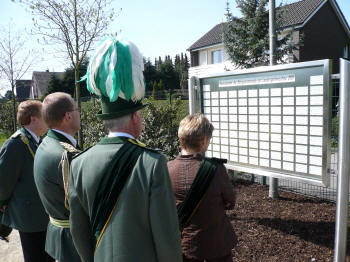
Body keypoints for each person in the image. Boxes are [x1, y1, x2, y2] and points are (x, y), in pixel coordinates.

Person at [69, 36, 182, 262]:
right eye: (140, 115)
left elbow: (78, 231)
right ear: (134, 117)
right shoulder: (151, 162)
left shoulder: (78, 163)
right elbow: (167, 237)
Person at [168, 113, 236, 262]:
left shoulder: (167, 169)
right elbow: (231, 202)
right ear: (204, 140)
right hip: (217, 243)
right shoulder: (216, 169)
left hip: (186, 245)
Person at [0, 100, 54, 262]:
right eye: (44, 116)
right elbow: (3, 180)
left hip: (42, 215)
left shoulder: (34, 141)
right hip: (30, 217)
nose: (48, 120)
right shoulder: (16, 144)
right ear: (33, 119)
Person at [34, 92, 81, 262]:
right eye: (77, 109)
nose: (79, 114)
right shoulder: (67, 155)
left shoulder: (46, 143)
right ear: (68, 116)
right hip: (74, 243)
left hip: (58, 234)